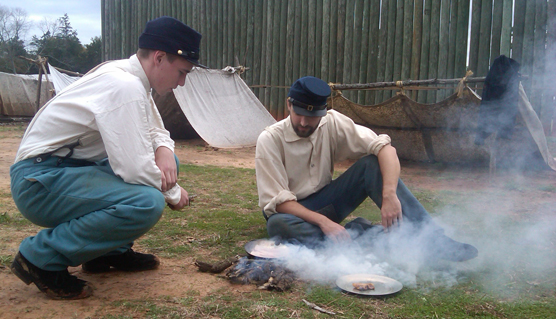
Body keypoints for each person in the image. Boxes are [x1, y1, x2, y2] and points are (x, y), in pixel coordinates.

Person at [9, 16, 206, 300]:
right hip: (39, 181)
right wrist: (174, 194)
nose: (183, 82)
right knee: (147, 202)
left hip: (63, 169)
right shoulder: (123, 85)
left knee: (168, 165)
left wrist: (164, 150)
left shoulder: (130, 78)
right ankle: (39, 258)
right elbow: (134, 168)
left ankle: (105, 253)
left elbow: (154, 127)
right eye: (182, 72)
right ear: (160, 58)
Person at [255, 76, 478, 261]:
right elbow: (281, 203)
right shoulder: (270, 139)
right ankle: (364, 233)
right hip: (292, 213)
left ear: (323, 112)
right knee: (278, 225)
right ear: (289, 105)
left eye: (311, 117)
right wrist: (325, 223)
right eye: (299, 113)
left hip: (327, 201)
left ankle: (433, 240)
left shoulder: (331, 122)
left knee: (372, 164)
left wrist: (389, 194)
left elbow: (385, 149)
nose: (304, 123)